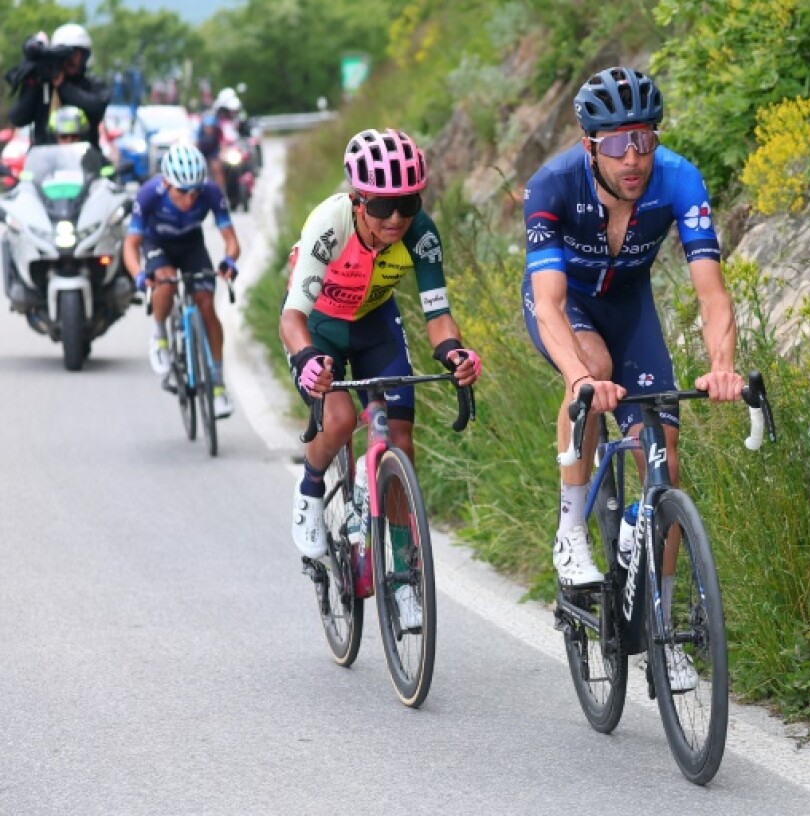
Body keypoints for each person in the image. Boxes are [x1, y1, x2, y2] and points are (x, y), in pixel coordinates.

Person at [521, 66, 742, 682]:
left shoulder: (679, 179)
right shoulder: (553, 185)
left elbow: (713, 295)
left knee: (664, 457)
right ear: (590, 145)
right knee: (594, 371)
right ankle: (571, 531)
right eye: (617, 143)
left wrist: (721, 367)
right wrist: (577, 378)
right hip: (571, 309)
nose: (633, 156)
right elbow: (549, 304)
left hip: (630, 308)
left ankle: (665, 632)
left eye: (644, 138)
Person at [281, 128, 481, 627]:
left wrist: (454, 351)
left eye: (407, 203)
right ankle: (309, 490)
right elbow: (291, 320)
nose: (395, 218)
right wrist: (307, 359)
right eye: (381, 206)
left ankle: (403, 575)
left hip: (375, 325)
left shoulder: (421, 232)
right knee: (342, 417)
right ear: (356, 198)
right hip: (318, 326)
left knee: (399, 436)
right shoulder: (328, 225)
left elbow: (438, 315)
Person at [123, 143, 240, 417]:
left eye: (195, 191)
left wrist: (229, 262)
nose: (190, 198)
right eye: (182, 191)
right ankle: (161, 336)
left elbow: (231, 240)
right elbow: (130, 245)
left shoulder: (210, 191)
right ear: (166, 182)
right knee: (165, 282)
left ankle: (218, 385)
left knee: (207, 306)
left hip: (191, 245)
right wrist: (139, 276)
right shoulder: (149, 194)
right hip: (157, 243)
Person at [6, 24, 109, 149]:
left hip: (85, 162)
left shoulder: (92, 85)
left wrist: (63, 85)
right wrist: (32, 80)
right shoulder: (43, 85)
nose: (71, 60)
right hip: (44, 162)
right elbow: (18, 118)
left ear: (85, 56)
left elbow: (96, 107)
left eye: (76, 54)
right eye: (67, 55)